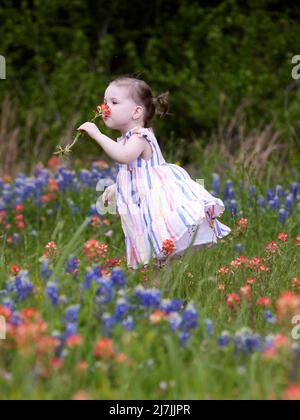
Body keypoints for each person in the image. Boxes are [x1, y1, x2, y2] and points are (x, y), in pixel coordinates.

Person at [77, 76, 231, 271]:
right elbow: (135, 173)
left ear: (136, 112)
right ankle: (156, 293)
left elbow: (124, 157)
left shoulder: (139, 137)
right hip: (140, 206)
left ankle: (160, 293)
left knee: (155, 257)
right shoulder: (126, 138)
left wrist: (97, 134)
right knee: (149, 260)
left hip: (155, 205)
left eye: (114, 102)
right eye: (105, 101)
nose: (105, 107)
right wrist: (117, 188)